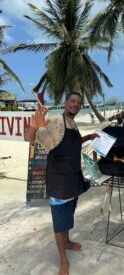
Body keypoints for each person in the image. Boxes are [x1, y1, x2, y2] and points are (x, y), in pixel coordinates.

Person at [25, 91, 99, 275]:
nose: (75, 104)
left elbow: (73, 145)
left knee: (68, 215)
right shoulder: (57, 122)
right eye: (72, 101)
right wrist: (34, 127)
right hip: (58, 181)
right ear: (65, 103)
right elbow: (30, 138)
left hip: (73, 179)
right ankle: (63, 262)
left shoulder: (72, 123)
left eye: (78, 103)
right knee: (59, 222)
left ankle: (67, 242)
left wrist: (89, 137)